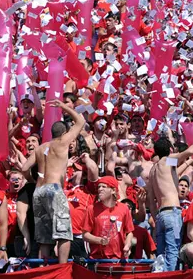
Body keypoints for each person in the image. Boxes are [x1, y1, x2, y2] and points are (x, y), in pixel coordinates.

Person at [146, 135, 193, 272]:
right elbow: (189, 151)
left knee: (161, 255)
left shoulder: (153, 170)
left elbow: (152, 198)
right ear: (171, 149)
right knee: (173, 253)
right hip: (172, 213)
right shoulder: (167, 160)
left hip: (161, 215)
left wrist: (156, 218)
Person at [32, 100, 85, 264]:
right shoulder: (63, 142)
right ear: (64, 134)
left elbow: (25, 167)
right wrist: (63, 106)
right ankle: (62, 269)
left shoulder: (41, 147)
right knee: (63, 233)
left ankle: (44, 268)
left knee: (44, 237)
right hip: (54, 189)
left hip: (38, 191)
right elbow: (81, 121)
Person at [82, 176, 134, 260]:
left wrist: (127, 245)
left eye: (104, 186)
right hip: (97, 260)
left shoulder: (124, 208)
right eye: (99, 187)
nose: (100, 189)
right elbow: (85, 235)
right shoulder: (91, 209)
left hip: (119, 259)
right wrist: (99, 240)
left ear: (113, 190)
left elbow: (129, 232)